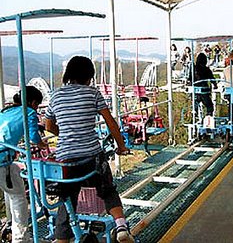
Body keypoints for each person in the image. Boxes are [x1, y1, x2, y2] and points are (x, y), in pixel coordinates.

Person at [44, 56, 134, 243]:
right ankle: (121, 227)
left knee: (67, 199)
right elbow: (110, 122)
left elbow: (48, 126)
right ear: (90, 75)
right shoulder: (92, 93)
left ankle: (62, 239)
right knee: (108, 190)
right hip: (91, 157)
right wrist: (122, 146)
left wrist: (66, 135)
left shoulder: (55, 95)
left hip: (66, 160)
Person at [0, 86, 47, 242]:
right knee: (18, 198)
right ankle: (20, 238)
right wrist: (41, 144)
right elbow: (33, 136)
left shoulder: (6, 111)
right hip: (2, 160)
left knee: (12, 186)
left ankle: (10, 225)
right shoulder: (30, 112)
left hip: (7, 161)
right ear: (33, 103)